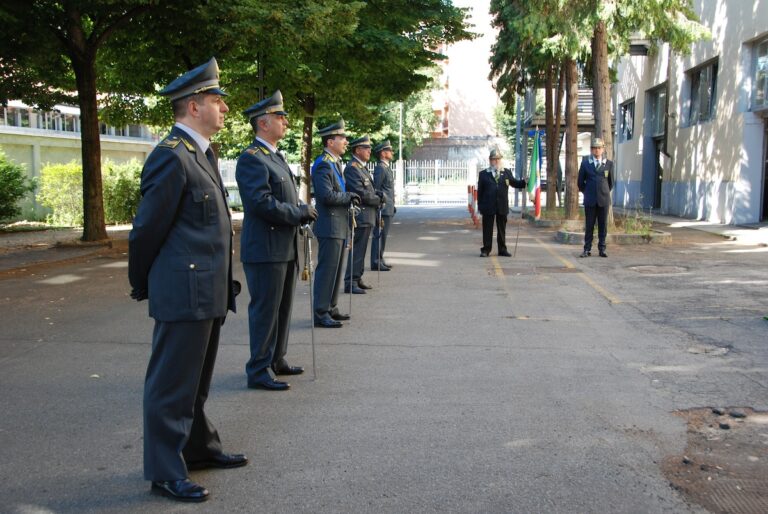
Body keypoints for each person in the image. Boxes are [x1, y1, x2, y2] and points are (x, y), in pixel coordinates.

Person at [128, 57, 247, 503]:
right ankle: (164, 470)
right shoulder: (171, 157)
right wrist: (142, 282)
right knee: (171, 384)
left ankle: (198, 448)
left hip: (208, 290)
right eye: (217, 101)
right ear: (194, 106)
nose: (224, 109)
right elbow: (146, 230)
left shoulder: (201, 154)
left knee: (196, 381)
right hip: (183, 291)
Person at [236, 90, 317, 391]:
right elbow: (261, 203)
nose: (285, 121)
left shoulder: (275, 157)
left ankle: (276, 358)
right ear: (263, 123)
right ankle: (257, 369)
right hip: (265, 249)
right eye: (280, 116)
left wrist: (301, 211)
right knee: (265, 310)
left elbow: (284, 197)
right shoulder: (251, 159)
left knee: (282, 308)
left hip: (283, 247)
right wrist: (297, 212)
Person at [311, 120, 360, 327]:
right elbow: (327, 196)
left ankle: (331, 307)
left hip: (338, 225)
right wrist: (349, 196)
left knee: (336, 269)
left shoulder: (334, 163)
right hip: (329, 225)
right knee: (327, 270)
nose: (346, 142)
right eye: (342, 139)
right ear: (330, 141)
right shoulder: (323, 163)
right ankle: (321, 312)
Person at [343, 135, 381, 293]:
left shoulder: (361, 167)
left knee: (361, 250)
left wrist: (377, 195)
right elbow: (361, 194)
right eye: (366, 148)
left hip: (367, 216)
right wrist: (378, 198)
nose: (369, 150)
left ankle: (357, 278)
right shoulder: (352, 168)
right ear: (357, 150)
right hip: (360, 216)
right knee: (357, 251)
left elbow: (369, 190)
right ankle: (350, 282)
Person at [477, 147, 526, 257]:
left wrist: (525, 182)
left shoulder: (506, 172)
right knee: (487, 229)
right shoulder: (483, 174)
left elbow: (515, 183)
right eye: (494, 159)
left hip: (502, 205)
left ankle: (502, 249)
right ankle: (486, 249)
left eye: (498, 159)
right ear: (490, 160)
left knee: (501, 229)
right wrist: (480, 206)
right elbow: (480, 191)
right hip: (488, 206)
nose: (496, 161)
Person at [578, 137, 614, 258]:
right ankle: (587, 249)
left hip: (603, 200)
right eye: (594, 148)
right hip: (590, 200)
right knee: (589, 226)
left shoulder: (608, 164)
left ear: (603, 149)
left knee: (603, 226)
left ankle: (602, 249)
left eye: (599, 148)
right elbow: (580, 183)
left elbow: (610, 183)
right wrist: (588, 192)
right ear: (591, 150)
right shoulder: (585, 164)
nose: (597, 150)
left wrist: (603, 192)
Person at [371, 140, 396, 271]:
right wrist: (380, 205)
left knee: (383, 236)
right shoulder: (380, 168)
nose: (392, 152)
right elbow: (377, 189)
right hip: (383, 208)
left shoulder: (386, 167)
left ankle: (380, 258)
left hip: (388, 207)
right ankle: (376, 261)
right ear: (383, 153)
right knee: (379, 235)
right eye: (389, 150)